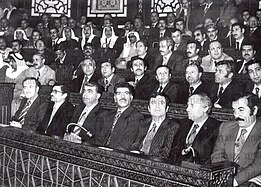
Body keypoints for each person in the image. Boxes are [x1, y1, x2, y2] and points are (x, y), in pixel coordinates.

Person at [211, 93, 261, 187]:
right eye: (234, 110)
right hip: (225, 179)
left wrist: (236, 180)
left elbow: (258, 165)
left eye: (241, 110)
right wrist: (230, 177)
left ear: (254, 110)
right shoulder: (226, 127)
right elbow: (216, 156)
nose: (236, 115)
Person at [170, 93, 221, 165]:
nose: (187, 109)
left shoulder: (216, 127)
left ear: (205, 108)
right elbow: (174, 148)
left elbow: (212, 156)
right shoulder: (184, 123)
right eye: (188, 105)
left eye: (192, 105)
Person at [96, 82, 144, 151]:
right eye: (119, 93)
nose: (122, 97)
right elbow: (99, 139)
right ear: (115, 98)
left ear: (131, 97)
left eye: (126, 93)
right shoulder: (108, 115)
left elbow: (126, 144)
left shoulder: (136, 116)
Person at [131, 93, 179, 159]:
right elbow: (135, 143)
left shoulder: (172, 126)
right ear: (149, 108)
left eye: (161, 103)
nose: (157, 106)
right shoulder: (143, 123)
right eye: (153, 103)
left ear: (167, 108)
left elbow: (166, 152)